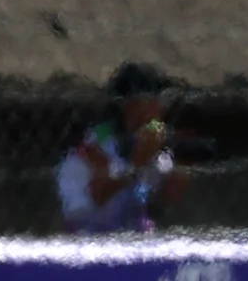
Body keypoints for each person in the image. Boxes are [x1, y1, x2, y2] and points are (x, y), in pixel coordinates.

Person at [56, 61, 187, 235]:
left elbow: (164, 200)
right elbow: (99, 195)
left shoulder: (149, 143)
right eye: (152, 101)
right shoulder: (95, 142)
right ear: (128, 106)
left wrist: (177, 164)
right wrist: (137, 162)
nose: (159, 109)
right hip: (88, 236)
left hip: (132, 236)